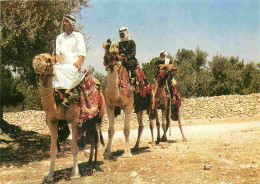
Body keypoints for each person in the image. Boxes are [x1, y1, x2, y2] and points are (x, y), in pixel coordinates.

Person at [52, 14, 87, 107]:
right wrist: (55, 57)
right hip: (62, 64)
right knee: (54, 70)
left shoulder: (78, 36)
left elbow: (82, 51)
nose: (64, 23)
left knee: (73, 71)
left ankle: (66, 94)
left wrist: (79, 61)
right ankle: (56, 93)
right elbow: (57, 52)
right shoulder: (59, 37)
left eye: (67, 21)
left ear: (72, 23)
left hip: (74, 63)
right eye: (64, 21)